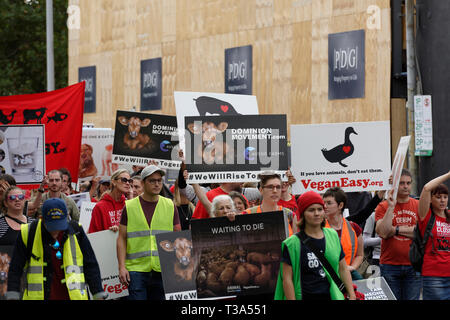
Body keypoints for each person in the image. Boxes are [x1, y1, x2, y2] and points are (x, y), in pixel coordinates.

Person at [6, 198, 106, 300]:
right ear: (41, 218)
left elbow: (90, 264)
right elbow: (15, 268)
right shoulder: (28, 232)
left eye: (60, 226)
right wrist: (13, 294)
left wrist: (97, 293)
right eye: (52, 227)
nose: (56, 232)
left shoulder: (77, 231)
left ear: (67, 217)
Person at [274, 191, 356, 300]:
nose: (317, 213)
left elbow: (343, 268)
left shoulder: (332, 235)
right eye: (311, 210)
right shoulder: (292, 243)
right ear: (303, 214)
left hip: (332, 296)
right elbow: (287, 279)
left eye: (320, 209)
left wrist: (352, 294)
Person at [117, 165, 181, 300]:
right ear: (142, 183)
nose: (157, 184)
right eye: (152, 181)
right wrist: (122, 267)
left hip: (163, 269)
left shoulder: (170, 205)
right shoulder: (129, 206)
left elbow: (177, 238)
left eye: (159, 180)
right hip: (136, 270)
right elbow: (121, 238)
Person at [375, 169, 421, 300]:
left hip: (413, 265)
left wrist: (394, 230)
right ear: (394, 185)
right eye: (401, 183)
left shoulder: (418, 205)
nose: (406, 186)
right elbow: (383, 232)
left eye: (408, 183)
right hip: (390, 265)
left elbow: (421, 233)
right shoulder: (383, 206)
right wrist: (391, 207)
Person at [417, 170, 450, 300]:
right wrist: (448, 175)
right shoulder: (427, 216)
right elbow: (426, 188)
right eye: (438, 197)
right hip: (433, 276)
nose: (442, 200)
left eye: (445, 197)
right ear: (430, 199)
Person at [322, 187, 364, 280]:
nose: (324, 206)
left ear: (340, 205)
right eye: (323, 203)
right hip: (326, 277)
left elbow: (360, 255)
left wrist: (352, 267)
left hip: (349, 275)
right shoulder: (318, 228)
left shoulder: (354, 228)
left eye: (329, 203)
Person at [244, 171, 296, 237]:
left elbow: (294, 244)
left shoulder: (290, 215)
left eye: (278, 187)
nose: (275, 191)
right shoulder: (248, 214)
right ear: (261, 190)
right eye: (270, 187)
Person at [88, 169, 130, 233]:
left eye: (129, 181)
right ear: (114, 182)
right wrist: (109, 232)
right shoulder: (100, 206)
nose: (127, 183)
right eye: (124, 180)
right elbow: (94, 234)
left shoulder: (128, 204)